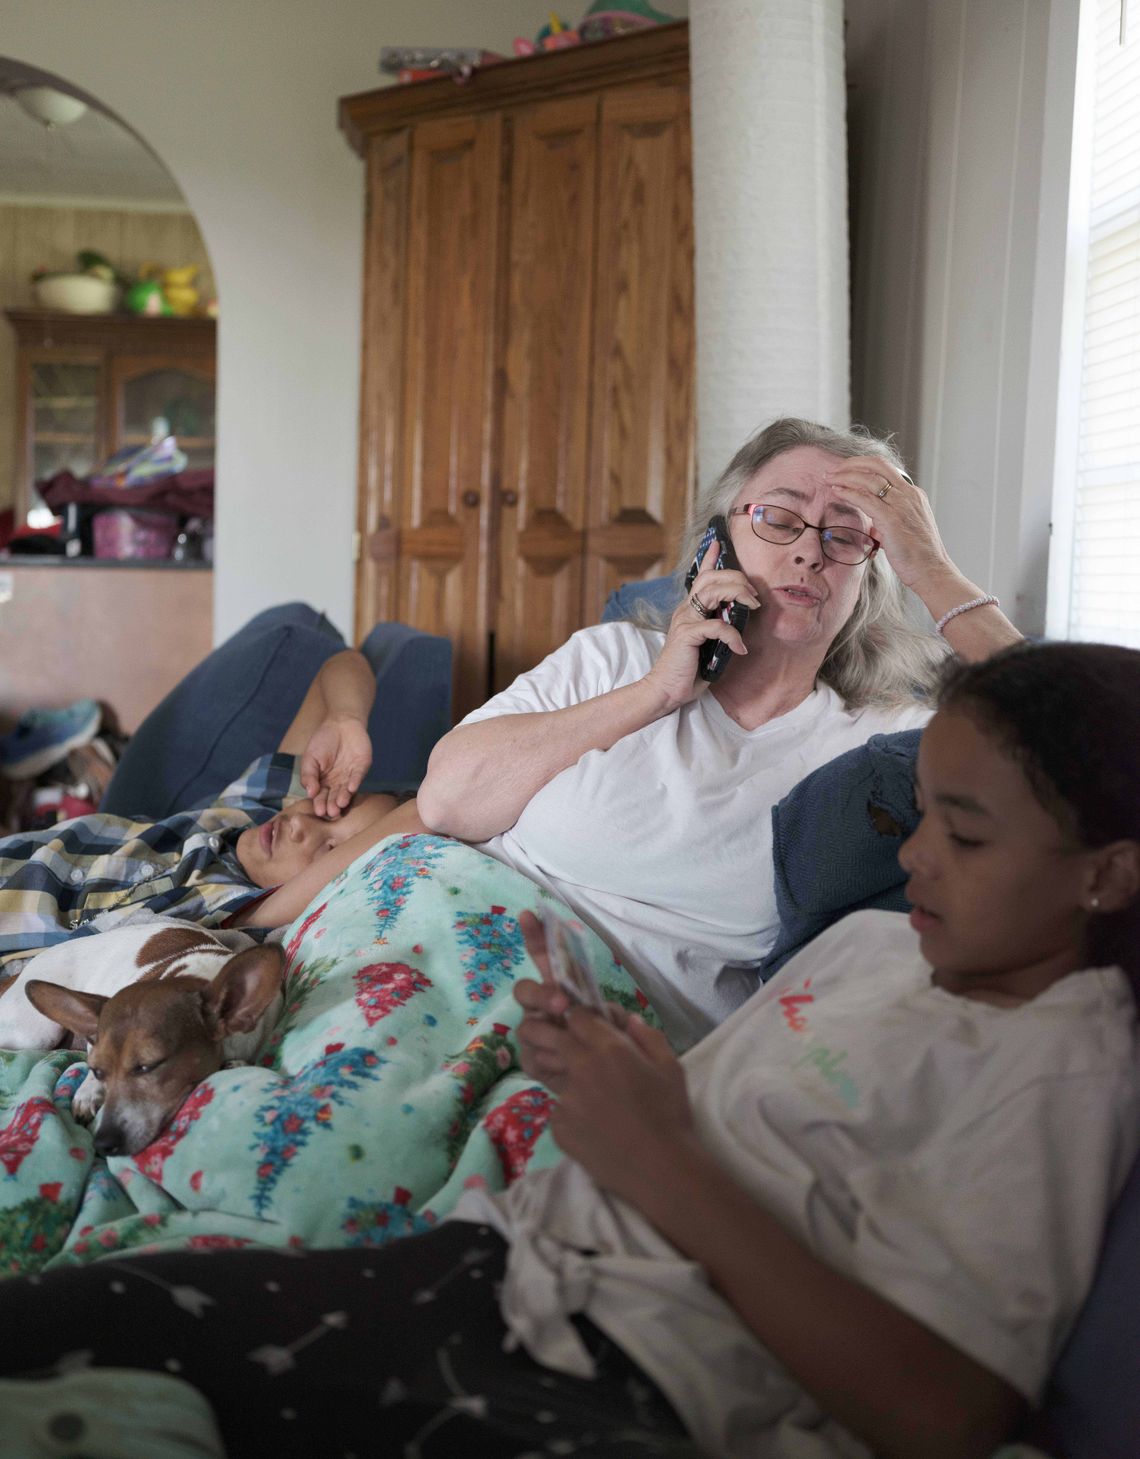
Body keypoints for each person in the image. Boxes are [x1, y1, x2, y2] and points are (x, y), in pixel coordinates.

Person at [0, 639, 1136, 1459]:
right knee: (55, 1329)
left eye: (967, 833)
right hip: (503, 1263)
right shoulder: (878, 947)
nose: (921, 858)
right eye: (922, 818)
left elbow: (946, 1413)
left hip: (622, 1372)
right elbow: (719, 1109)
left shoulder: (1064, 1063)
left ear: (1109, 871)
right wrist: (608, 1066)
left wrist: (659, 1156)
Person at [417, 416, 1024, 1046]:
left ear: (868, 579)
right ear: (718, 543)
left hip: (612, 1038)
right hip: (445, 946)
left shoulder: (880, 745)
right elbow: (445, 802)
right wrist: (656, 692)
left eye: (846, 536)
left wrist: (931, 568)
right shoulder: (612, 658)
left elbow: (1077, 744)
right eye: (780, 520)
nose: (810, 550)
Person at [0, 647, 423, 986]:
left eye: (331, 849)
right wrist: (345, 719)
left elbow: (423, 815)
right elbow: (343, 663)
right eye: (335, 807)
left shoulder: (248, 915)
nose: (301, 826)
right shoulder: (254, 808)